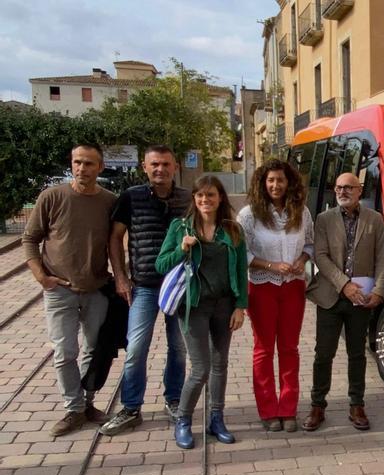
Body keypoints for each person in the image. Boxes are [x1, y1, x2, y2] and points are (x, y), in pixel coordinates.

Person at [22, 144, 116, 436]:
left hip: (96, 288)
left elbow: (115, 242)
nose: (82, 168)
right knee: (64, 351)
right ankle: (72, 408)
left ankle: (87, 403)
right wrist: (42, 277)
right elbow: (30, 238)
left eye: (89, 163)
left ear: (100, 167)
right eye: (77, 162)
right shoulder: (52, 197)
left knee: (93, 349)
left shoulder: (110, 201)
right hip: (59, 288)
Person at [99, 145, 189, 436]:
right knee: (136, 348)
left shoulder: (187, 199)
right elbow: (115, 238)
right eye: (154, 164)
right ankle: (130, 407)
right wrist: (121, 277)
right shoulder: (131, 198)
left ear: (174, 166)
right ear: (144, 166)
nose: (160, 169)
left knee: (178, 348)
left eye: (165, 164)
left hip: (179, 287)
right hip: (145, 286)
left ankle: (174, 400)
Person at [156, 176, 248, 449]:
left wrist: (241, 306)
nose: (205, 201)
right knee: (201, 368)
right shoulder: (180, 227)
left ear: (220, 198)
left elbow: (241, 271)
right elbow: (161, 264)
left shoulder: (232, 230)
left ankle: (216, 419)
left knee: (220, 365)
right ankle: (183, 420)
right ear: (194, 199)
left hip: (224, 306)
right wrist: (182, 249)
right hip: (193, 307)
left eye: (211, 195)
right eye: (200, 196)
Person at [304, 172, 384, 431]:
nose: (342, 192)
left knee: (357, 354)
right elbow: (320, 255)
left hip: (361, 298)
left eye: (348, 188)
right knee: (323, 354)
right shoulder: (324, 219)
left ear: (359, 191)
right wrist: (344, 285)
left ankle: (356, 404)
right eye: (338, 187)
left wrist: (380, 291)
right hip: (330, 296)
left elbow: (381, 258)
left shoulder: (375, 219)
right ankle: (318, 405)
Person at [237, 160, 312, 432]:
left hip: (293, 286)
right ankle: (268, 410)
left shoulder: (301, 213)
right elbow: (240, 254)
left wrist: (302, 260)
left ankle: (288, 408)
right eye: (270, 180)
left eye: (280, 180)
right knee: (264, 349)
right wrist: (270, 265)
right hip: (262, 287)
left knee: (290, 349)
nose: (275, 185)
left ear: (288, 182)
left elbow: (311, 244)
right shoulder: (248, 215)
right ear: (262, 183)